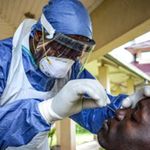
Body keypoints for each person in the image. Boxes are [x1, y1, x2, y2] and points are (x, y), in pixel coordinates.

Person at [0, 0, 149, 149]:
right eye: (64, 48)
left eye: (77, 52)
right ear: (40, 36)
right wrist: (46, 112)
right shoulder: (4, 60)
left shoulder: (71, 71)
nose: (68, 60)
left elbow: (102, 113)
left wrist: (129, 104)